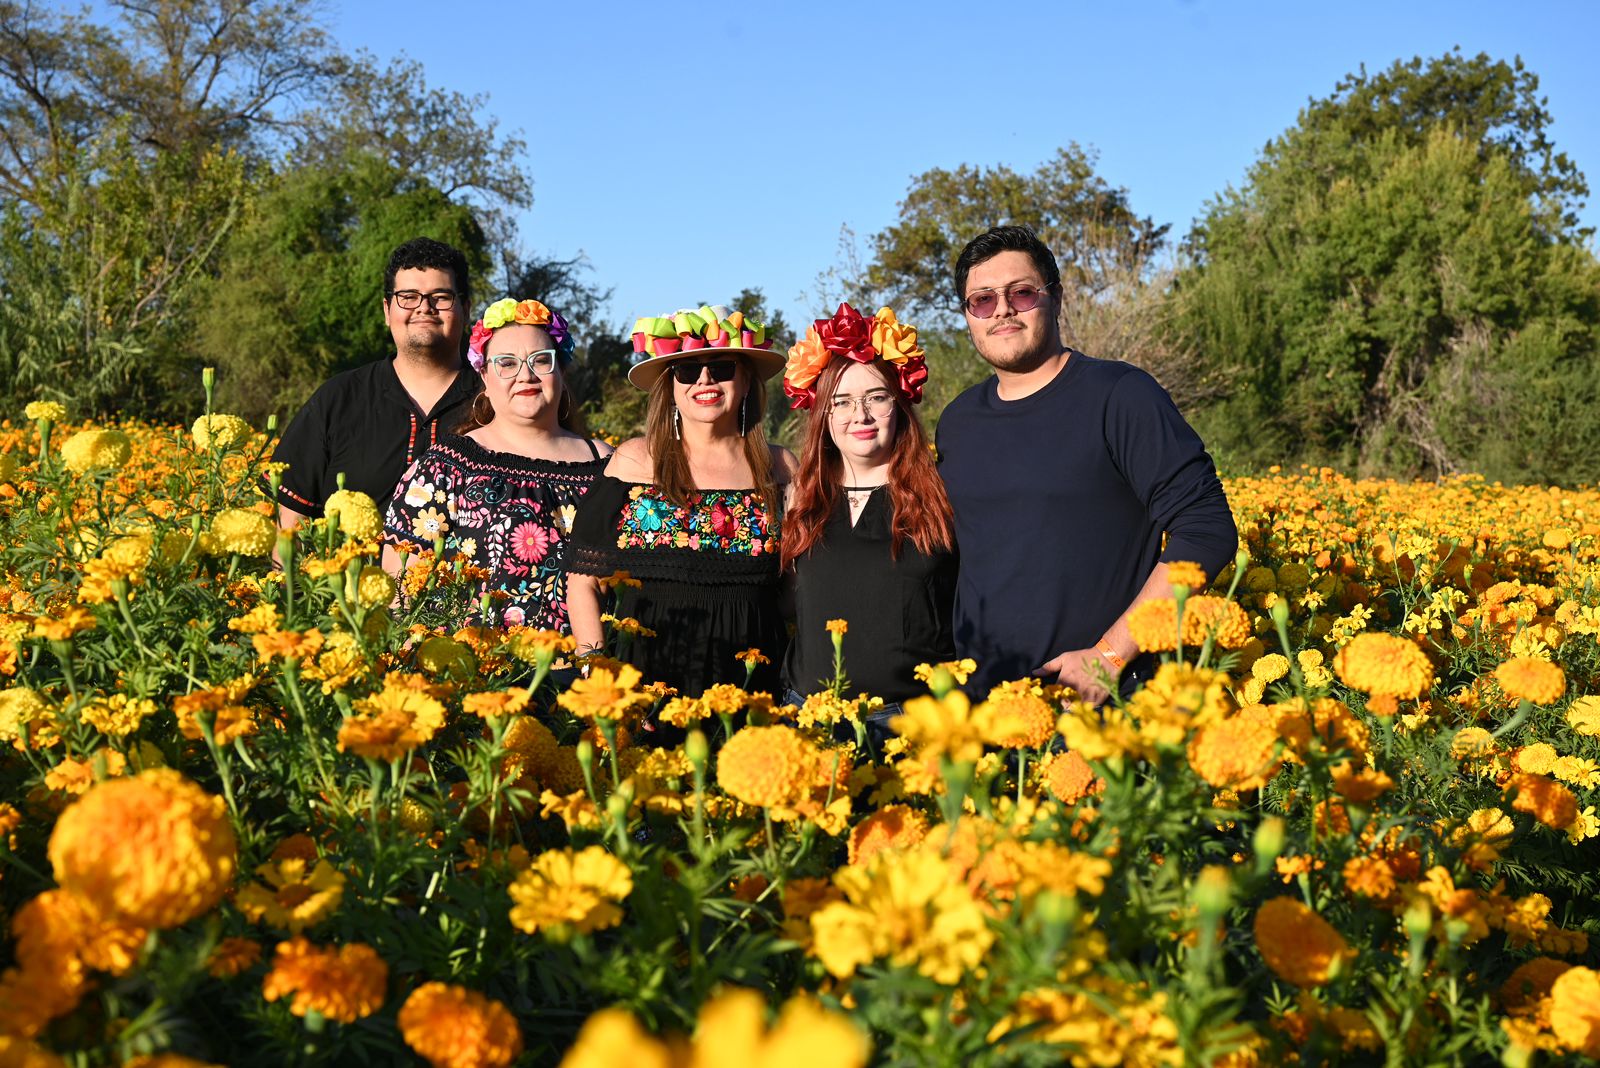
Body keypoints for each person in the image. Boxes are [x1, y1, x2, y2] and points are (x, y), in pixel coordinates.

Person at [936, 225, 1238, 702]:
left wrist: (1111, 655)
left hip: (1097, 701)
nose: (1004, 310)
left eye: (1022, 292)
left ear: (1056, 298)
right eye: (983, 300)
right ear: (968, 315)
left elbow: (1207, 529)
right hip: (986, 708)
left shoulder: (1119, 396)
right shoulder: (957, 421)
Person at [565, 305, 794, 696]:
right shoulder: (635, 460)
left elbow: (800, 587)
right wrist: (599, 678)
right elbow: (583, 582)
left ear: (745, 380)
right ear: (670, 386)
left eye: (721, 367)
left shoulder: (780, 466)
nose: (704, 379)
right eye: (687, 370)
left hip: (753, 690)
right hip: (644, 688)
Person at [381, 297, 612, 630]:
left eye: (541, 360)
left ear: (562, 370)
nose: (526, 375)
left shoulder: (607, 465)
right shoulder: (445, 468)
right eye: (507, 363)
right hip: (480, 674)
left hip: (594, 675)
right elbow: (400, 589)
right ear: (485, 377)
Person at [778, 302, 956, 729]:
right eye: (841, 401)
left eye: (876, 397)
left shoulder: (940, 492)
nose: (860, 415)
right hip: (809, 717)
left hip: (910, 722)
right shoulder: (799, 498)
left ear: (899, 404)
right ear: (824, 414)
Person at [272, 237, 480, 525]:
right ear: (387, 310)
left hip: (464, 572)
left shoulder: (493, 400)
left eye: (441, 297)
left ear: (466, 309)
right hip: (345, 570)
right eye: (408, 296)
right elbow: (289, 529)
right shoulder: (338, 398)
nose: (424, 307)